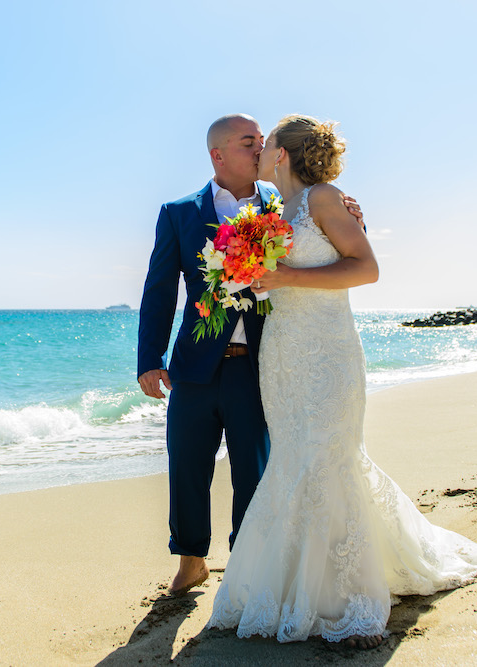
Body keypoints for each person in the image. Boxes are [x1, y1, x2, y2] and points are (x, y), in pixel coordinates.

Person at [206, 115, 477, 649]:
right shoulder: (271, 209)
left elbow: (366, 268)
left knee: (329, 455)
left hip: (328, 351)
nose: (261, 148)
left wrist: (285, 275)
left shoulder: (323, 198)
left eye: (266, 142)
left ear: (283, 154)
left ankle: (349, 599)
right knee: (294, 456)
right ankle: (290, 587)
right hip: (283, 354)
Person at [137, 114, 363, 597]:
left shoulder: (285, 204)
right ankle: (191, 559)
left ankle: (248, 562)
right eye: (248, 143)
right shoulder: (178, 212)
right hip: (194, 366)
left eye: (262, 141)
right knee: (187, 463)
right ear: (217, 154)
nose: (259, 148)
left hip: (262, 361)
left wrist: (358, 213)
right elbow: (159, 291)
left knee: (254, 468)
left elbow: (326, 237)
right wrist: (149, 358)